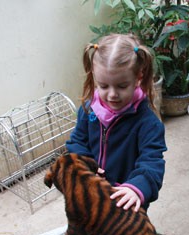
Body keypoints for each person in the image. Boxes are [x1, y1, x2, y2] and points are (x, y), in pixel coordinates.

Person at [66, 33, 166, 212]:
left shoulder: (148, 122)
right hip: (93, 190)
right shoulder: (89, 109)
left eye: (121, 86)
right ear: (94, 77)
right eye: (103, 86)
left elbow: (152, 162)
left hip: (125, 200)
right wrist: (85, 165)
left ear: (138, 78)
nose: (112, 94)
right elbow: (77, 142)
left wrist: (135, 188)